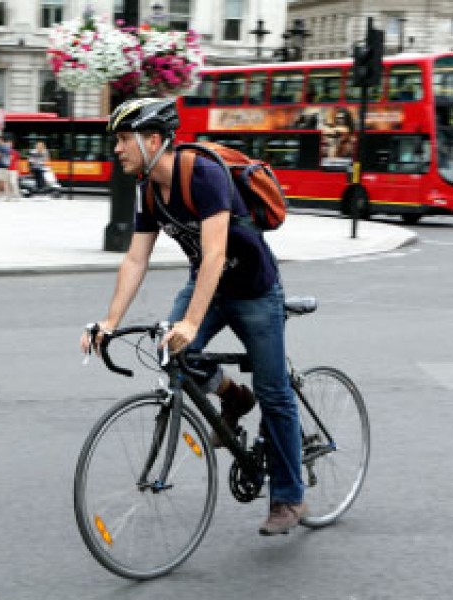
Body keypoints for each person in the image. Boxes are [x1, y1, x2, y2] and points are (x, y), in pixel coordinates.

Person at [79, 98, 306, 535]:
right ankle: (232, 396)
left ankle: (288, 496)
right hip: (207, 284)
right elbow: (135, 260)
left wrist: (190, 323)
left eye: (124, 139)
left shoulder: (202, 174)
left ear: (153, 140)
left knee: (274, 392)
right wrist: (108, 322)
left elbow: (216, 254)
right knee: (171, 356)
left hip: (255, 290)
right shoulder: (149, 190)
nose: (117, 149)